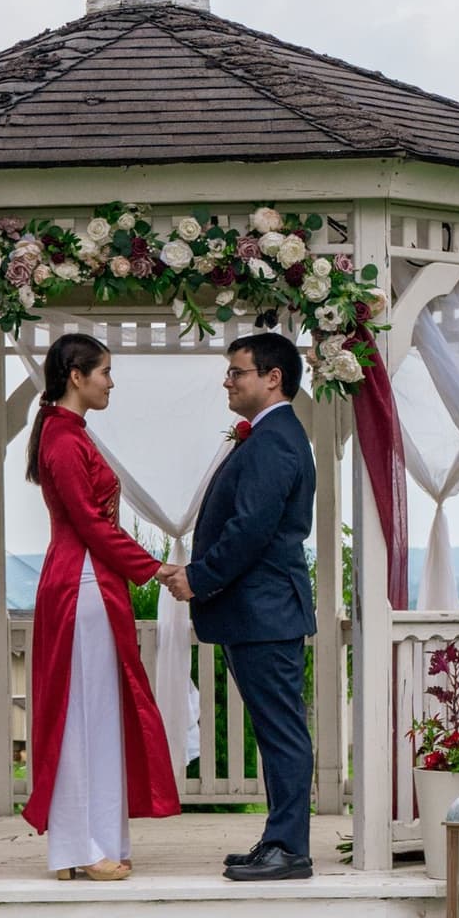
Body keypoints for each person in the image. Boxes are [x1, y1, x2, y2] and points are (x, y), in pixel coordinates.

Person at [159, 331, 316, 882]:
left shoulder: (274, 441)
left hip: (267, 609)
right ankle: (278, 837)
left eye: (237, 371)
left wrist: (198, 579)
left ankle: (290, 850)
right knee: (276, 730)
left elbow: (251, 529)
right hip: (259, 610)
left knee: (282, 731)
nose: (227, 380)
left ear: (272, 377)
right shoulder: (268, 437)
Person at [23, 333, 179, 880]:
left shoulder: (69, 435)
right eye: (105, 372)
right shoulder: (63, 441)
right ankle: (78, 848)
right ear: (76, 374)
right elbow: (90, 525)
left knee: (96, 715)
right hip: (80, 585)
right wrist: (154, 568)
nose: (111, 382)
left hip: (91, 583)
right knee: (82, 717)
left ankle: (92, 842)